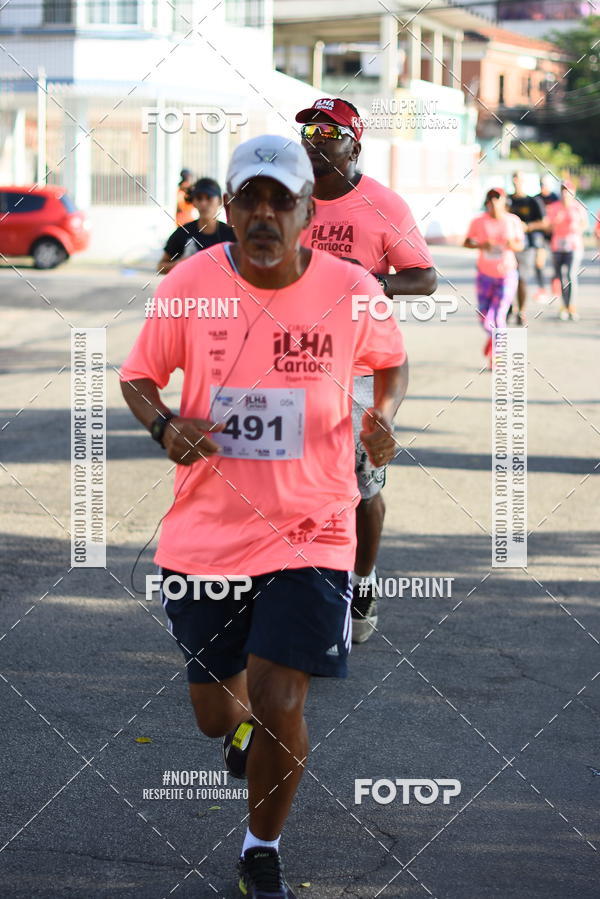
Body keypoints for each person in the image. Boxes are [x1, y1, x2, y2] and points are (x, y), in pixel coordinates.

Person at [120, 135, 408, 898]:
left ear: (309, 211)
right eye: (251, 197)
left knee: (284, 703)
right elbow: (139, 377)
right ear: (233, 207)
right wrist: (164, 427)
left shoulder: (351, 288)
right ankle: (239, 723)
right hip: (207, 537)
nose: (264, 213)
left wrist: (384, 411)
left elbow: (391, 359)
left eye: (283, 200)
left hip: (313, 527)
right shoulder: (190, 282)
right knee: (218, 717)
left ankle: (260, 849)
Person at [295, 96, 436, 643]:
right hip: (291, 367)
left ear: (354, 144)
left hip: (358, 369)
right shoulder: (290, 200)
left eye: (326, 134)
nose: (314, 143)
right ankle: (294, 587)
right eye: (307, 133)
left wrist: (366, 280)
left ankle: (363, 580)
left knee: (361, 487)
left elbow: (423, 279)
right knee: (285, 480)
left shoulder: (383, 206)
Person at [464, 187, 525, 366]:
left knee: (498, 316)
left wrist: (511, 244)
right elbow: (467, 242)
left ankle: (497, 356)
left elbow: (521, 245)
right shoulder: (478, 222)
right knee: (484, 319)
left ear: (504, 202)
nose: (493, 203)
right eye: (490, 200)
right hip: (484, 275)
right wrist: (482, 245)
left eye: (497, 199)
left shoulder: (513, 221)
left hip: (506, 275)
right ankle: (494, 341)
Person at [158, 177, 235, 275]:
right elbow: (160, 267)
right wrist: (180, 263)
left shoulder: (231, 234)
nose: (203, 203)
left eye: (209, 198)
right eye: (199, 198)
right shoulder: (183, 232)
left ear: (220, 201)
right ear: (193, 202)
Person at [546, 180, 588, 321]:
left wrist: (577, 228)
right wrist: (555, 222)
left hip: (574, 246)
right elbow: (548, 227)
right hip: (557, 246)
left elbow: (584, 224)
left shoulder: (578, 207)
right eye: (562, 190)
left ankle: (572, 306)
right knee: (560, 278)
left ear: (572, 192)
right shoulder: (553, 207)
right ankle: (563, 306)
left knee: (570, 275)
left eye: (567, 190)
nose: (565, 193)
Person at [508, 171, 547, 325]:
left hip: (527, 246)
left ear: (524, 181)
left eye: (519, 178)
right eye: (514, 177)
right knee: (507, 278)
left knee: (522, 279)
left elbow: (544, 223)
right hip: (508, 246)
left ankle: (521, 311)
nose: (517, 180)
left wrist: (527, 226)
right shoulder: (507, 201)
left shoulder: (533, 201)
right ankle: (509, 306)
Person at [532, 174, 559, 303]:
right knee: (539, 261)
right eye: (541, 184)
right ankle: (542, 288)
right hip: (541, 234)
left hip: (554, 233)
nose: (543, 187)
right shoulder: (536, 199)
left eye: (545, 184)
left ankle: (555, 282)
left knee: (556, 261)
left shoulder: (555, 198)